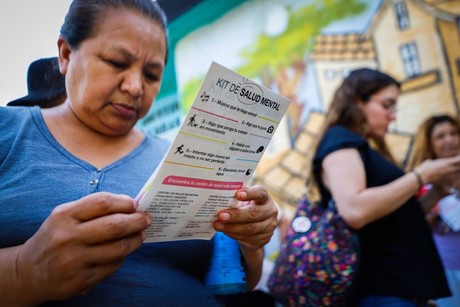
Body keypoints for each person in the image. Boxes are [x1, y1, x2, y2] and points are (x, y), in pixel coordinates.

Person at [0, 0, 278, 305]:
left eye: (151, 75)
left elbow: (239, 281)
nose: (135, 87)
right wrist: (23, 270)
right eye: (117, 62)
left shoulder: (184, 159)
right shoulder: (8, 131)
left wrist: (252, 240)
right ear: (66, 54)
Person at [310, 68, 460, 306]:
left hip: (400, 289)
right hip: (383, 289)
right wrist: (421, 175)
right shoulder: (340, 139)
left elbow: (395, 218)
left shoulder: (359, 145)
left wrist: (437, 190)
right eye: (387, 105)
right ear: (358, 101)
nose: (393, 116)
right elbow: (355, 210)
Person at [406, 114, 460, 307]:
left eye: (454, 133)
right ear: (429, 144)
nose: (450, 139)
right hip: (448, 270)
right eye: (441, 136)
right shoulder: (421, 181)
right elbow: (410, 224)